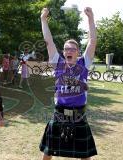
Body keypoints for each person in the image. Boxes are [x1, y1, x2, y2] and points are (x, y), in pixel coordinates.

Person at [39, 7, 97, 160]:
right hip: (59, 113)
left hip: (79, 115)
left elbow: (92, 41)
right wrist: (43, 19)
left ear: (78, 52)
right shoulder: (57, 63)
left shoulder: (84, 64)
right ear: (63, 52)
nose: (69, 51)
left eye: (73, 49)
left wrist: (90, 19)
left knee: (85, 154)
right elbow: (48, 42)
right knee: (48, 150)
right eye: (66, 49)